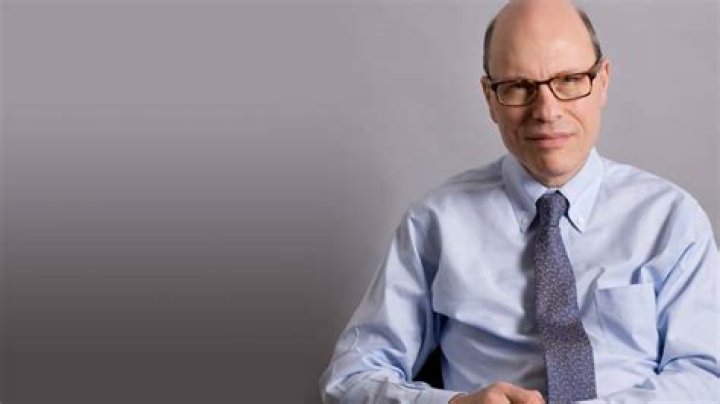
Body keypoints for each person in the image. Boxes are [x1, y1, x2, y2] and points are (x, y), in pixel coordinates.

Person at [320, 0, 719, 402]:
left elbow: (707, 376)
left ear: (602, 82)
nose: (546, 111)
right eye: (518, 87)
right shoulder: (435, 224)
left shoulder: (670, 219)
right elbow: (350, 379)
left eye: (569, 80)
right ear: (490, 98)